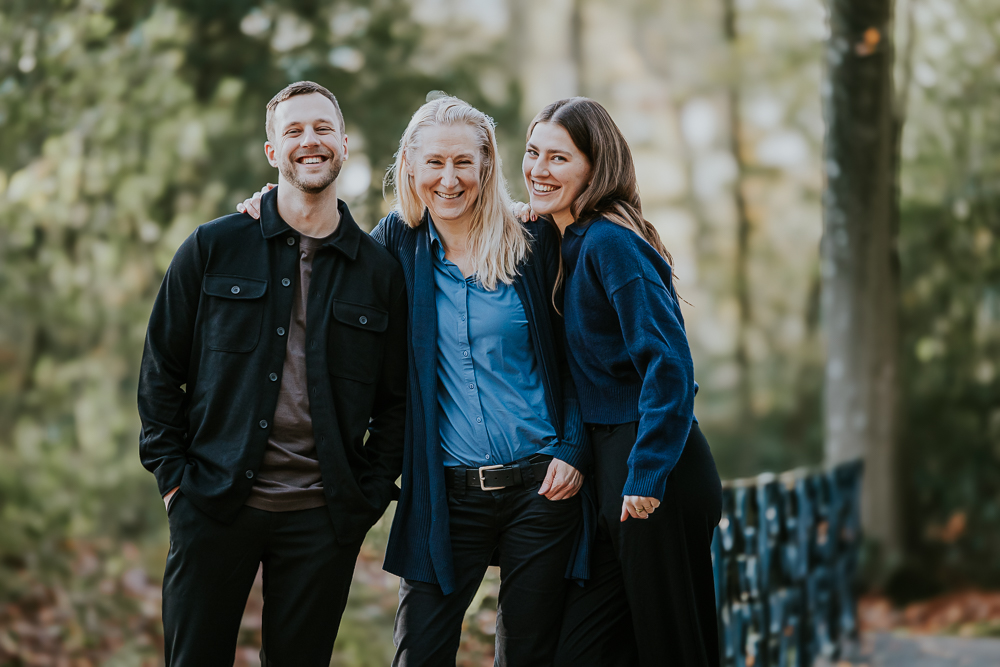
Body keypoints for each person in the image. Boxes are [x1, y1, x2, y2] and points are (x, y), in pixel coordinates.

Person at [238, 95, 590, 667]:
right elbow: (317, 239)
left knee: (528, 656)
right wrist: (267, 204)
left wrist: (573, 448)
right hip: (444, 492)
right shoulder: (393, 247)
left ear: (485, 166)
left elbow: (578, 358)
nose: (448, 180)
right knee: (420, 653)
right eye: (433, 163)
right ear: (410, 166)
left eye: (462, 164)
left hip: (542, 488)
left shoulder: (535, 243)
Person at [138, 81, 407, 666]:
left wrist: (370, 495)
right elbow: (161, 367)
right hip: (211, 502)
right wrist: (174, 481)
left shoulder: (378, 271)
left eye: (321, 129)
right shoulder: (213, 247)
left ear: (343, 142)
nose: (309, 141)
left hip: (322, 517)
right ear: (271, 152)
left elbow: (397, 400)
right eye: (293, 130)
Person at [520, 97, 723, 667]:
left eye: (558, 158)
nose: (538, 169)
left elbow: (670, 366)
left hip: (654, 468)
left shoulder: (611, 243)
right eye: (533, 153)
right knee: (584, 650)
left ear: (595, 167)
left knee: (672, 646)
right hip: (613, 467)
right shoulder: (568, 240)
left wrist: (648, 471)